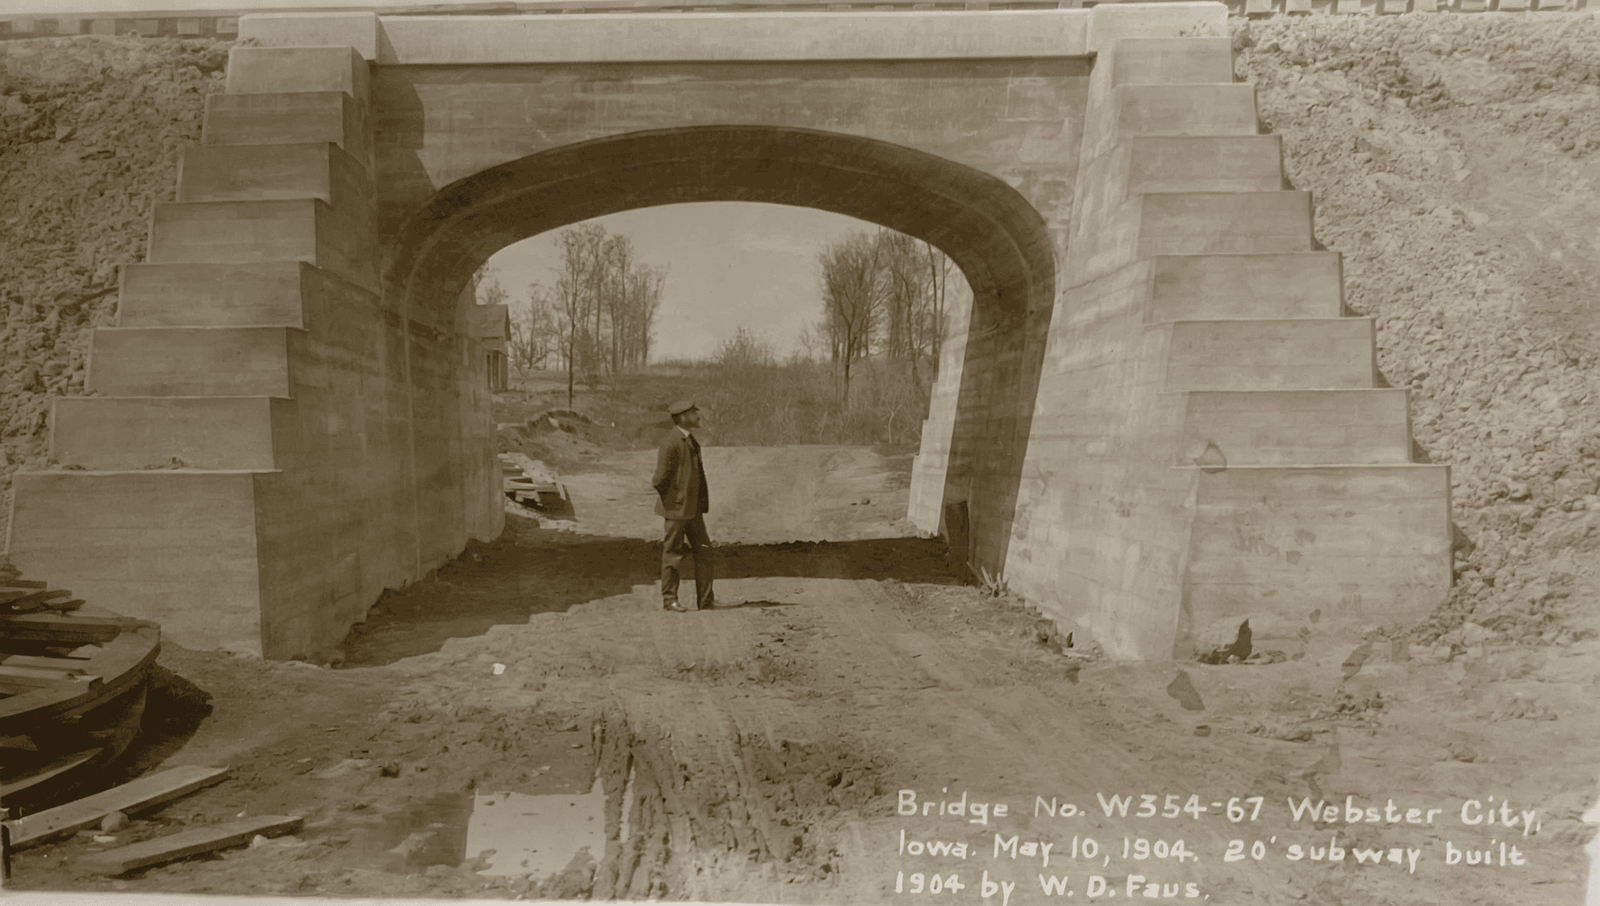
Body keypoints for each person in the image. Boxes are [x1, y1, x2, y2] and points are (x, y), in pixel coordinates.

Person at [653, 400, 715, 611]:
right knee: (673, 555)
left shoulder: (689, 439)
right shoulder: (671, 442)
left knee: (705, 552)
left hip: (693, 510)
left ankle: (706, 601)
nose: (698, 415)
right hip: (676, 511)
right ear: (682, 417)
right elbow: (659, 480)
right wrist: (675, 501)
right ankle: (670, 600)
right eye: (693, 412)